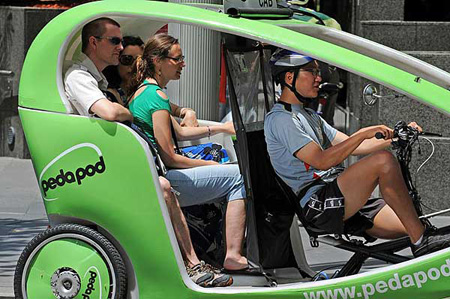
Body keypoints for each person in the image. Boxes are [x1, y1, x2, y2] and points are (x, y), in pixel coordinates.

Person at [64, 18, 224, 287]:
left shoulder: (101, 80)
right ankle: (194, 265)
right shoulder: (79, 76)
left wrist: (186, 111)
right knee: (163, 186)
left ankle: (198, 259)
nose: (120, 47)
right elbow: (110, 112)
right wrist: (128, 116)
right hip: (101, 166)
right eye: (115, 41)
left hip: (118, 160)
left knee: (180, 175)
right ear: (94, 42)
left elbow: (160, 111)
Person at [265, 49, 450, 257]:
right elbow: (321, 160)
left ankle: (423, 240)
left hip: (344, 198)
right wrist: (362, 133)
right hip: (318, 205)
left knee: (413, 222)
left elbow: (354, 146)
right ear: (290, 77)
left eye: (318, 72)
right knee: (384, 162)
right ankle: (421, 243)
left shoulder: (309, 115)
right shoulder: (282, 119)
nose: (319, 78)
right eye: (311, 72)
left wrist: (396, 136)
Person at [128, 33, 249, 275]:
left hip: (161, 175)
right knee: (239, 176)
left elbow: (181, 133)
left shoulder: (145, 92)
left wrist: (221, 127)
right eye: (177, 59)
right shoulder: (156, 97)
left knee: (228, 169)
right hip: (167, 180)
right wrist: (206, 163)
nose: (183, 63)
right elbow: (170, 157)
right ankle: (233, 254)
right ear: (157, 61)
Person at [103, 35, 199, 127]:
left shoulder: (145, 90)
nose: (134, 65)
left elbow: (174, 109)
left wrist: (189, 112)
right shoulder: (111, 95)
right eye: (127, 59)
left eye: (139, 60)